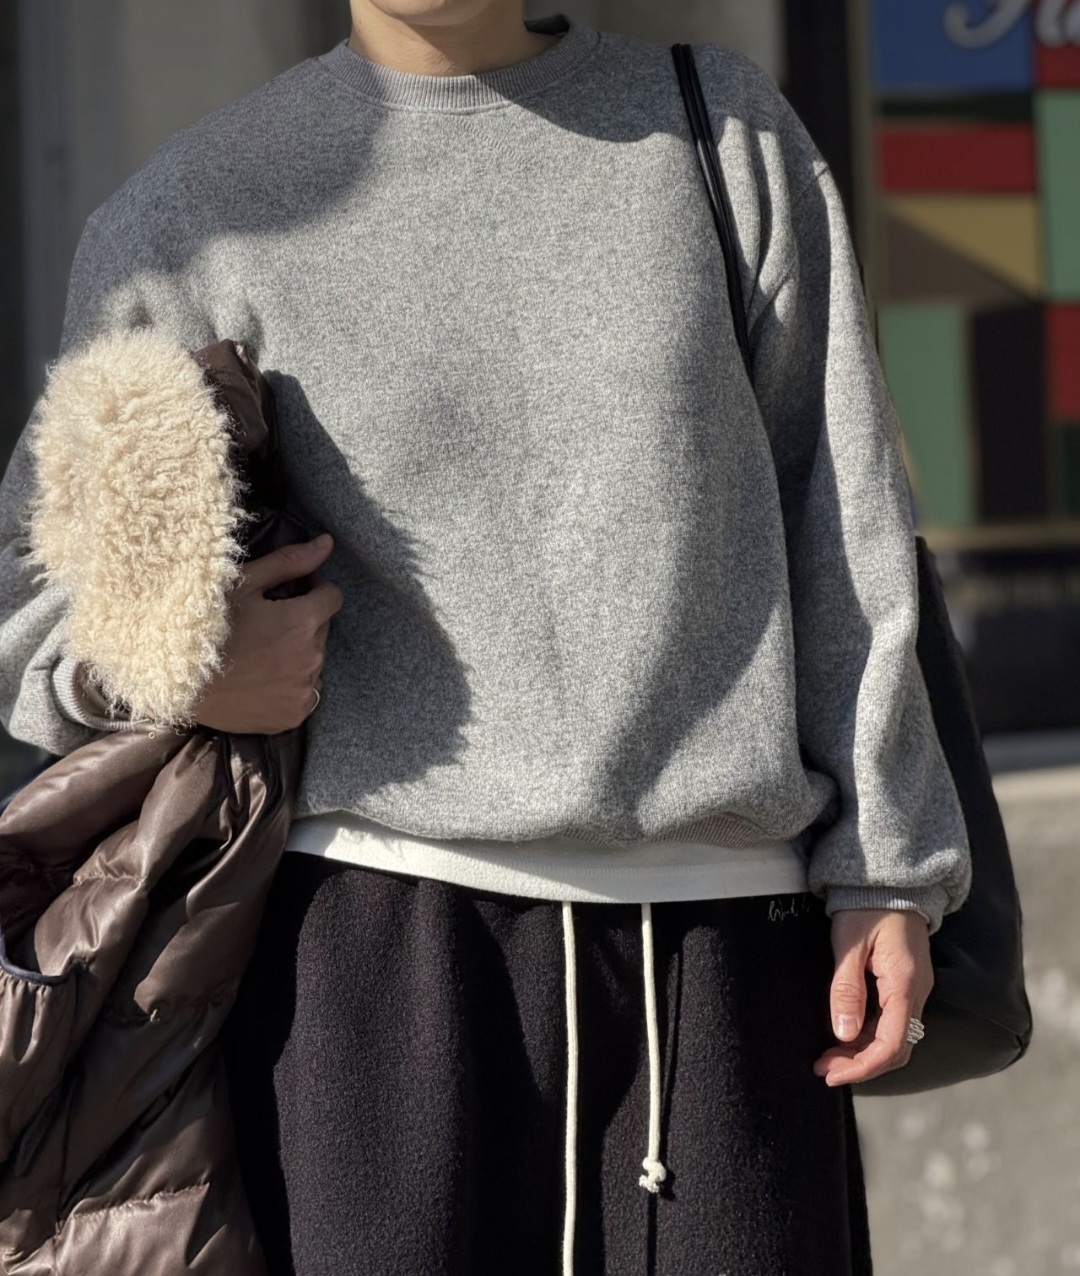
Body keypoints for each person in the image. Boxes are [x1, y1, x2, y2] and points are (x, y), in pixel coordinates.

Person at [0, 2, 971, 1272]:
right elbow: (35, 603)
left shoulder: (723, 136)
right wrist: (188, 662)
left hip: (727, 949)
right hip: (369, 969)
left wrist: (888, 865)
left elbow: (841, 516)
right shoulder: (198, 208)